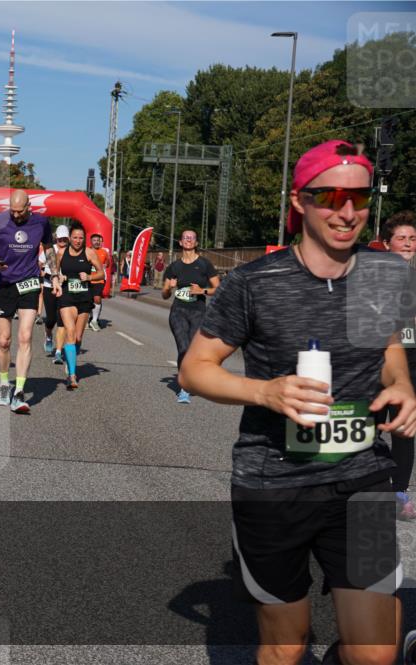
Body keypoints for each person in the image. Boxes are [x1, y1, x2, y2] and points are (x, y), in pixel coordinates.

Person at [181, 139, 412, 665]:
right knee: (286, 646)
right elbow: (194, 370)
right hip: (274, 483)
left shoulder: (381, 276)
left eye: (359, 197)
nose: (347, 211)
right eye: (329, 196)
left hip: (362, 475)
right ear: (299, 201)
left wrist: (401, 383)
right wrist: (265, 390)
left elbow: (389, 347)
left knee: (377, 652)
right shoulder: (252, 283)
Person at [0, 189, 58, 414]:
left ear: (28, 207)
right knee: (4, 340)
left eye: (19, 211)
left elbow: (49, 250)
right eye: (12, 211)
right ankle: (5, 385)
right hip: (3, 283)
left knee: (25, 336)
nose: (15, 215)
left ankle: (20, 391)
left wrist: (55, 276)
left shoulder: (42, 223)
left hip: (29, 282)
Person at [381, 210, 416, 519]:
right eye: (401, 238)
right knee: (368, 428)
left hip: (411, 365)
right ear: (386, 243)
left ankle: (399, 493)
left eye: (412, 238)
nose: (407, 243)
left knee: (405, 431)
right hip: (376, 364)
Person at [162, 230, 220, 403]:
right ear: (180, 242)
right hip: (178, 311)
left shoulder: (204, 265)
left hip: (198, 312)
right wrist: (168, 288)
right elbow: (164, 295)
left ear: (195, 243)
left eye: (192, 237)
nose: (188, 239)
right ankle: (184, 387)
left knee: (192, 351)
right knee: (184, 348)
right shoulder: (174, 267)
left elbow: (218, 288)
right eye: (185, 237)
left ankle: (192, 379)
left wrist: (201, 290)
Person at [56, 223, 103, 390]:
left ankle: (71, 360)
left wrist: (89, 277)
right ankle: (72, 375)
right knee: (69, 332)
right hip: (67, 297)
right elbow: (55, 272)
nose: (77, 240)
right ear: (69, 238)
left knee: (77, 337)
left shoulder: (89, 253)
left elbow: (101, 273)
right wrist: (59, 278)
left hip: (84, 298)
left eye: (81, 238)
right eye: (75, 237)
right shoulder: (61, 252)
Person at [43, 226, 70, 363]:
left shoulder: (70, 251)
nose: (62, 241)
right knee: (51, 319)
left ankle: (59, 351)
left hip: (65, 289)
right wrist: (51, 275)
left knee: (62, 319)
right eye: (60, 239)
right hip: (49, 287)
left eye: (65, 239)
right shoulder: (49, 248)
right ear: (56, 238)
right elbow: (39, 265)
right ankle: (48, 336)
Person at [88, 233, 111, 331]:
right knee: (88, 301)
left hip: (100, 279)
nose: (97, 242)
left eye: (98, 240)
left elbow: (108, 263)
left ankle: (94, 320)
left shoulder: (104, 252)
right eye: (94, 240)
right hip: (88, 279)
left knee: (97, 298)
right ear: (91, 241)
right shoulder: (87, 251)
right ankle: (90, 318)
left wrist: (103, 267)